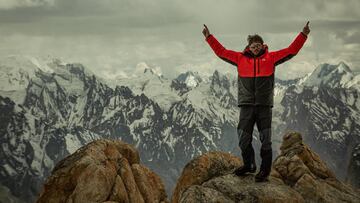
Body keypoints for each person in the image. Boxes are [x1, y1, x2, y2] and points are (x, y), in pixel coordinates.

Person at [202, 22, 310, 182]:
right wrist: (209, 37)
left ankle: (264, 171)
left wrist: (303, 34)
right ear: (248, 47)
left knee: (265, 139)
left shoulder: (271, 58)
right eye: (253, 46)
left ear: (262, 46)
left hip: (264, 106)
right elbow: (222, 52)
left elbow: (291, 51)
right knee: (243, 137)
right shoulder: (239, 58)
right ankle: (249, 165)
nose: (255, 48)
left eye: (258, 45)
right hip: (246, 105)